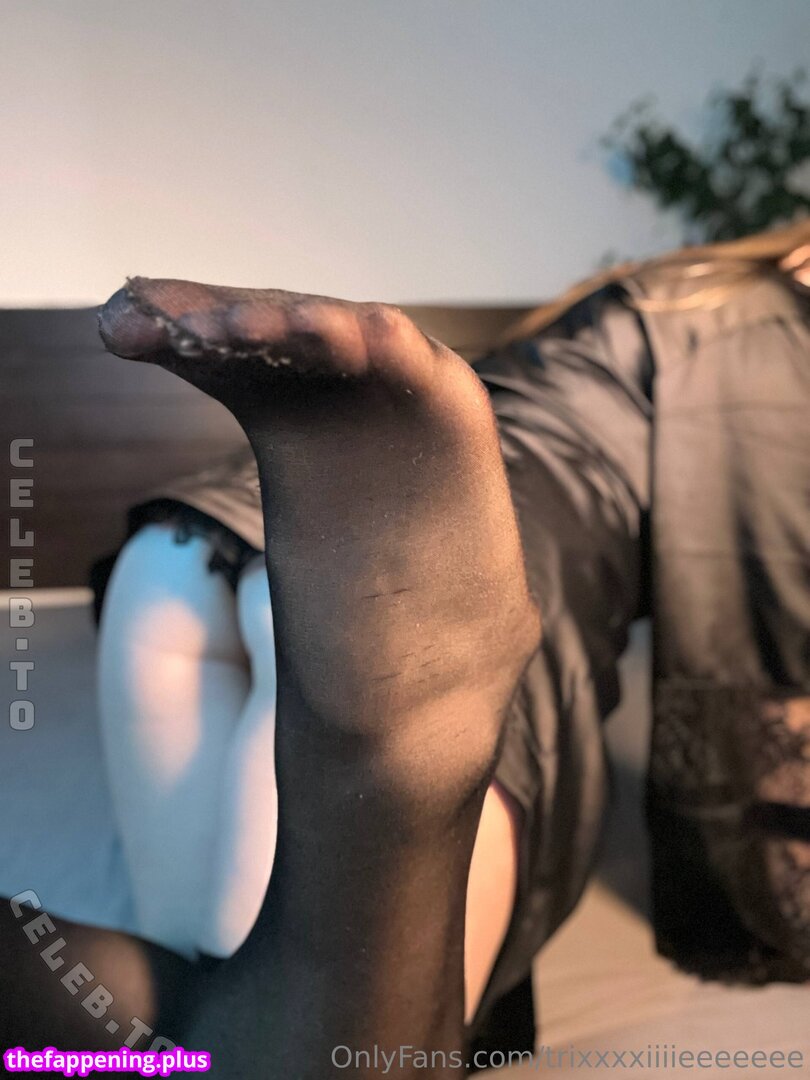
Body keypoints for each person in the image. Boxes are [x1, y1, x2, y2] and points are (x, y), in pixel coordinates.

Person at [4, 224, 808, 1076]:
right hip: (437, 580)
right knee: (341, 1036)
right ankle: (404, 741)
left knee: (217, 1020)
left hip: (189, 553)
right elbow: (766, 601)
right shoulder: (777, 327)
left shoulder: (667, 284)